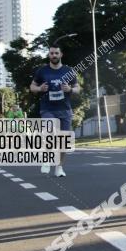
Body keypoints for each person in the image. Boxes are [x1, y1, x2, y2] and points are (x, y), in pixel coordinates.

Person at [30, 44, 79, 177]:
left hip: (64, 109)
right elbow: (32, 86)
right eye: (51, 53)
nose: (54, 55)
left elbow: (77, 88)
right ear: (49, 55)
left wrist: (70, 90)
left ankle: (59, 168)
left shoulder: (68, 71)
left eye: (56, 53)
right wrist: (39, 89)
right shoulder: (42, 71)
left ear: (61, 54)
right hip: (47, 109)